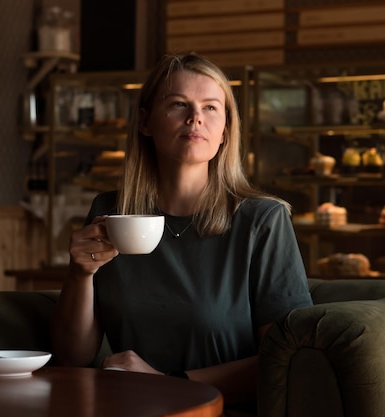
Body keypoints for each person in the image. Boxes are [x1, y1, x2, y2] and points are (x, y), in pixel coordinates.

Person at [52, 52, 313, 413]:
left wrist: (167, 384)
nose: (195, 118)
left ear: (225, 131)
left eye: (210, 108)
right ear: (145, 121)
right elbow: (72, 357)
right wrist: (81, 273)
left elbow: (289, 360)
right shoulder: (109, 213)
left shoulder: (262, 219)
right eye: (178, 104)